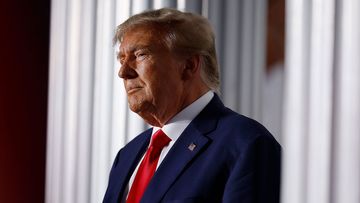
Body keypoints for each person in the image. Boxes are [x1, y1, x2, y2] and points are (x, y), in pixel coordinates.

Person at [103, 8, 281, 203]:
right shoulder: (127, 156)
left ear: (188, 65)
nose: (123, 72)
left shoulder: (247, 143)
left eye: (140, 55)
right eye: (121, 59)